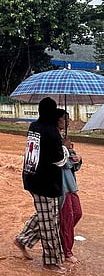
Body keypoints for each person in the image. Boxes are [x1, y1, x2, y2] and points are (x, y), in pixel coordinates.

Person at [14, 97, 71, 273]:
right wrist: (65, 147)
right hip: (46, 183)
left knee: (47, 215)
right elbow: (59, 160)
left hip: (31, 178)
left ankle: (22, 240)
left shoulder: (34, 127)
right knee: (50, 223)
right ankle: (50, 262)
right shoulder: (51, 132)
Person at [56, 108, 83, 264]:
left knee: (77, 213)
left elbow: (73, 163)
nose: (68, 122)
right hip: (61, 185)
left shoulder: (63, 138)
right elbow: (61, 162)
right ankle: (67, 251)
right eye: (65, 119)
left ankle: (62, 237)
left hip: (71, 184)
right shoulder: (53, 138)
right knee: (67, 217)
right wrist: (66, 149)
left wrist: (74, 154)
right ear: (57, 120)